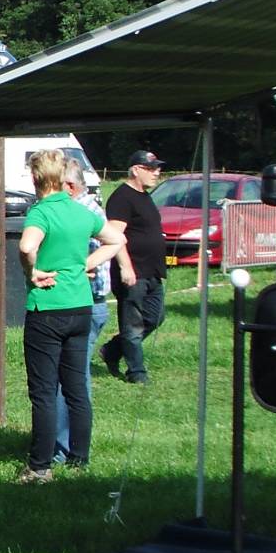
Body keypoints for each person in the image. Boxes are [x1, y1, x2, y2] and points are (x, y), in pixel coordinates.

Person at [18, 148, 124, 484]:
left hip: (47, 309)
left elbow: (25, 246)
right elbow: (116, 240)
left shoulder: (41, 213)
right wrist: (86, 265)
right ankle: (80, 458)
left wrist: (32, 270)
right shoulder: (81, 211)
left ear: (36, 179)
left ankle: (40, 466)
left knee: (45, 391)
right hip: (81, 307)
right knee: (76, 386)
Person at [53, 164, 110, 464]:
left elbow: (83, 259)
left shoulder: (80, 214)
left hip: (82, 304)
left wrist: (71, 271)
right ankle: (73, 449)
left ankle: (65, 451)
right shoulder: (92, 210)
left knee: (71, 380)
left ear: (70, 188)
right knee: (76, 379)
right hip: (93, 304)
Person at [101, 150, 165, 385]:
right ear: (136, 170)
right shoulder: (122, 198)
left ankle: (112, 350)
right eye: (151, 168)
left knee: (155, 317)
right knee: (133, 323)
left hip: (152, 271)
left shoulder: (144, 196)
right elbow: (114, 236)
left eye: (157, 168)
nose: (157, 172)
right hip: (132, 272)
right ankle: (137, 373)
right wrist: (126, 267)